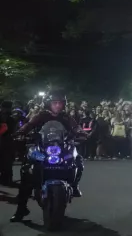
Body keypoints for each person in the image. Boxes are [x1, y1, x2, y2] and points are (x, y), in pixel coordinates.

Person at [11, 91, 85, 223]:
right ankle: (21, 208)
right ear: (49, 104)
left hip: (61, 147)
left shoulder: (66, 117)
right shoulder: (42, 115)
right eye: (55, 103)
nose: (57, 106)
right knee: (27, 170)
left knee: (77, 159)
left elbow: (75, 127)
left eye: (60, 103)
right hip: (43, 146)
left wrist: (80, 133)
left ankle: (74, 185)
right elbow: (30, 125)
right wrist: (22, 132)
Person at [0, 101, 18, 186]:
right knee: (7, 162)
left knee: (7, 162)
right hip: (6, 141)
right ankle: (7, 180)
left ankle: (6, 180)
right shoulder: (11, 118)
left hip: (7, 142)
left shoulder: (12, 117)